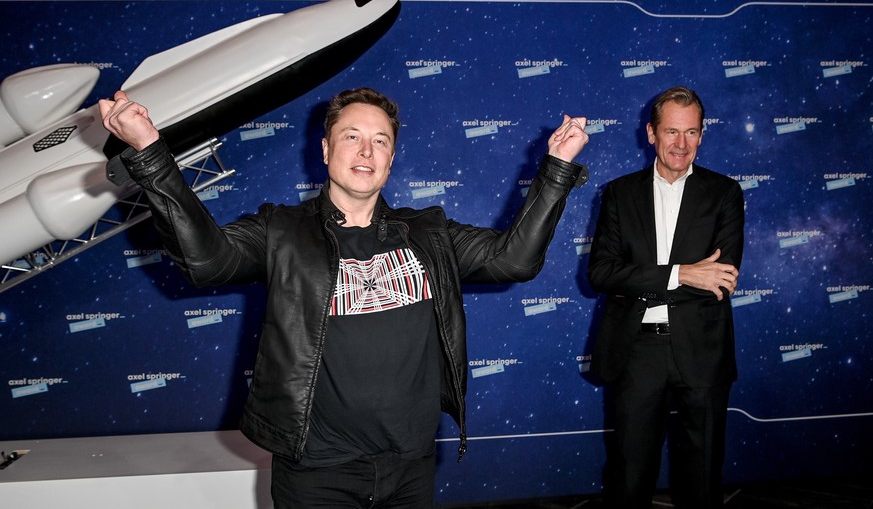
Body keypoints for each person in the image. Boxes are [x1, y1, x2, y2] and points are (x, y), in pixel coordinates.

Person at [99, 87, 590, 508]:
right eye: (351, 137)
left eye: (381, 141)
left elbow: (515, 260)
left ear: (392, 158)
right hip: (317, 472)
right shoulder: (281, 230)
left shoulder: (430, 232)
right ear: (326, 149)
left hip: (411, 465)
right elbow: (205, 262)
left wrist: (557, 168)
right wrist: (150, 153)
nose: (366, 151)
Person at [586, 86, 744, 508]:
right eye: (672, 132)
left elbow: (722, 277)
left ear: (702, 135)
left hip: (702, 348)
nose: (681, 144)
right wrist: (683, 273)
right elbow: (602, 272)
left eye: (691, 133)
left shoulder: (725, 193)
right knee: (630, 473)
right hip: (638, 349)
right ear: (651, 133)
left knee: (703, 474)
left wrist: (644, 279)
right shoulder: (620, 193)